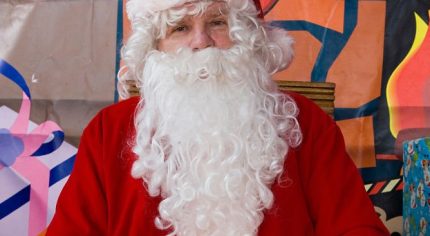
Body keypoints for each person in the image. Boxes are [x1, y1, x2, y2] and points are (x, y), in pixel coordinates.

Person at [46, 0, 390, 235]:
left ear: (248, 37)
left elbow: (354, 227)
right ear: (155, 47)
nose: (201, 42)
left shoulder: (305, 123)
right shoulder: (109, 131)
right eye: (180, 28)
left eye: (217, 22)